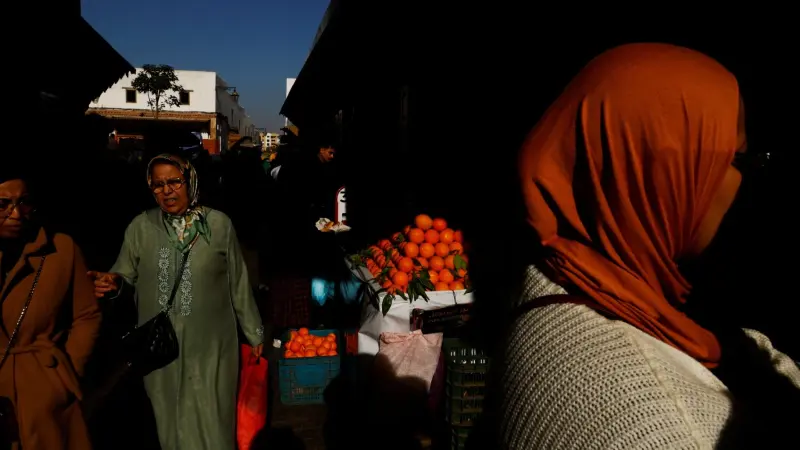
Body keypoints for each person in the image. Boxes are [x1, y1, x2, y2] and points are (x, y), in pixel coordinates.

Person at [481, 43, 800, 449]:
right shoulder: (671, 431)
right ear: (665, 174)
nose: (749, 181)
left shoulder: (559, 275)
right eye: (738, 159)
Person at [89, 153, 265, 450]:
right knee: (168, 419)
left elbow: (238, 281)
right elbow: (124, 272)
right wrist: (114, 282)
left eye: (174, 182)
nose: (166, 191)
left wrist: (254, 330)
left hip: (212, 346)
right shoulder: (140, 227)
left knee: (214, 417)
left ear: (190, 181)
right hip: (160, 349)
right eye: (157, 185)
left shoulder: (219, 224)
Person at [0, 160, 100, 449]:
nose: (16, 214)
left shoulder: (61, 250)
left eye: (24, 203)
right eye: (3, 204)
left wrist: (64, 372)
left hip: (45, 396)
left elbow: (87, 315)